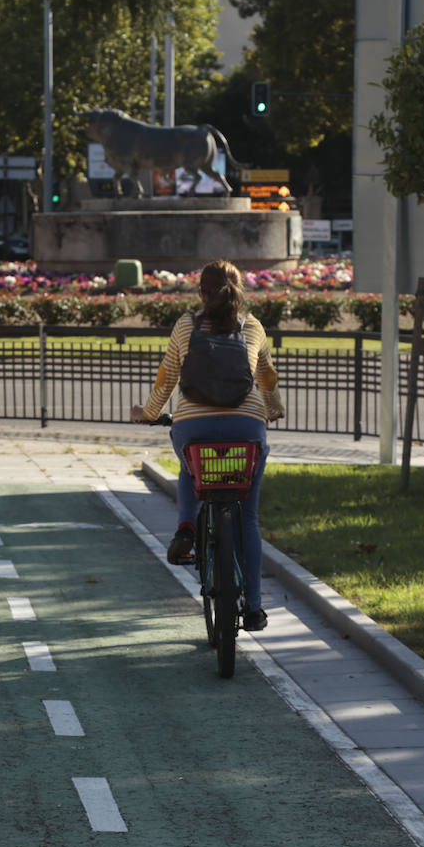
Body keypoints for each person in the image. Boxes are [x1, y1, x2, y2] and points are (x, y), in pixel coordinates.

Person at [131, 259, 282, 631]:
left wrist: (149, 413)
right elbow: (266, 375)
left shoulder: (186, 326)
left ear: (201, 293)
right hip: (246, 426)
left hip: (193, 427)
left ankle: (185, 527)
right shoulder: (254, 327)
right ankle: (255, 608)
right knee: (247, 516)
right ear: (240, 293)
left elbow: (167, 379)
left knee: (189, 465)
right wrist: (274, 408)